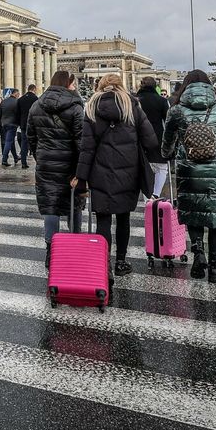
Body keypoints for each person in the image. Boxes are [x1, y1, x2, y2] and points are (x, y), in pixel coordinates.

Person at [161, 69, 216, 283]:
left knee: (194, 213)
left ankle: (198, 252)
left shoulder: (176, 110)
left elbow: (167, 141)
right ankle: (215, 267)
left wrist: (167, 153)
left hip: (189, 169)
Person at [74, 75, 158, 279]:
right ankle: (121, 261)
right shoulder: (132, 105)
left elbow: (87, 147)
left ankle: (105, 265)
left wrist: (81, 178)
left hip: (100, 171)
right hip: (129, 170)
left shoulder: (92, 107)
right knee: (123, 217)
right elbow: (151, 141)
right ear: (121, 86)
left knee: (103, 219)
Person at [26, 71, 85, 267]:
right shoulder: (75, 107)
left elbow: (31, 136)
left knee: (50, 206)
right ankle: (75, 245)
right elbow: (81, 141)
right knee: (74, 204)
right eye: (73, 84)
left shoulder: (36, 105)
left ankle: (51, 251)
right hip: (70, 165)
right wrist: (81, 170)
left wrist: (41, 156)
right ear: (67, 84)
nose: (74, 87)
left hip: (46, 164)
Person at [135, 76, 171, 198]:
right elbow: (168, 121)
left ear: (141, 85)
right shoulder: (161, 101)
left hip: (139, 137)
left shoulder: (135, 101)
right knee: (161, 168)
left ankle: (147, 196)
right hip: (157, 137)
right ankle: (155, 194)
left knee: (144, 168)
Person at [16, 84, 39, 169]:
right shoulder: (36, 99)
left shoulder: (20, 99)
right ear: (34, 89)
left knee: (24, 144)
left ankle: (23, 162)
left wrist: (19, 123)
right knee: (35, 143)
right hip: (33, 124)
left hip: (23, 124)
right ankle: (38, 162)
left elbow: (17, 113)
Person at [0, 89, 21, 167]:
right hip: (12, 124)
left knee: (11, 141)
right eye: (18, 94)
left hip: (4, 124)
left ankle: (15, 157)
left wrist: (2, 119)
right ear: (15, 94)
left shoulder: (4, 101)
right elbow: (19, 113)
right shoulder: (17, 102)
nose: (18, 96)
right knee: (8, 141)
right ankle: (4, 160)